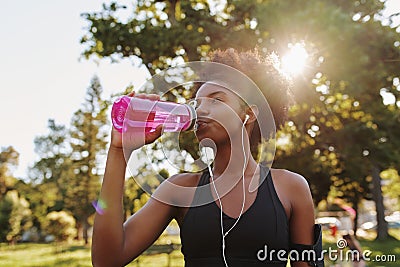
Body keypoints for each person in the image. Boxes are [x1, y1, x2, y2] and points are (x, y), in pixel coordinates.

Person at [91, 48, 323, 267]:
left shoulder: (290, 187)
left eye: (216, 100)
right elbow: (106, 260)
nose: (200, 110)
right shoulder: (178, 189)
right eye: (197, 103)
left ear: (249, 113)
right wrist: (119, 151)